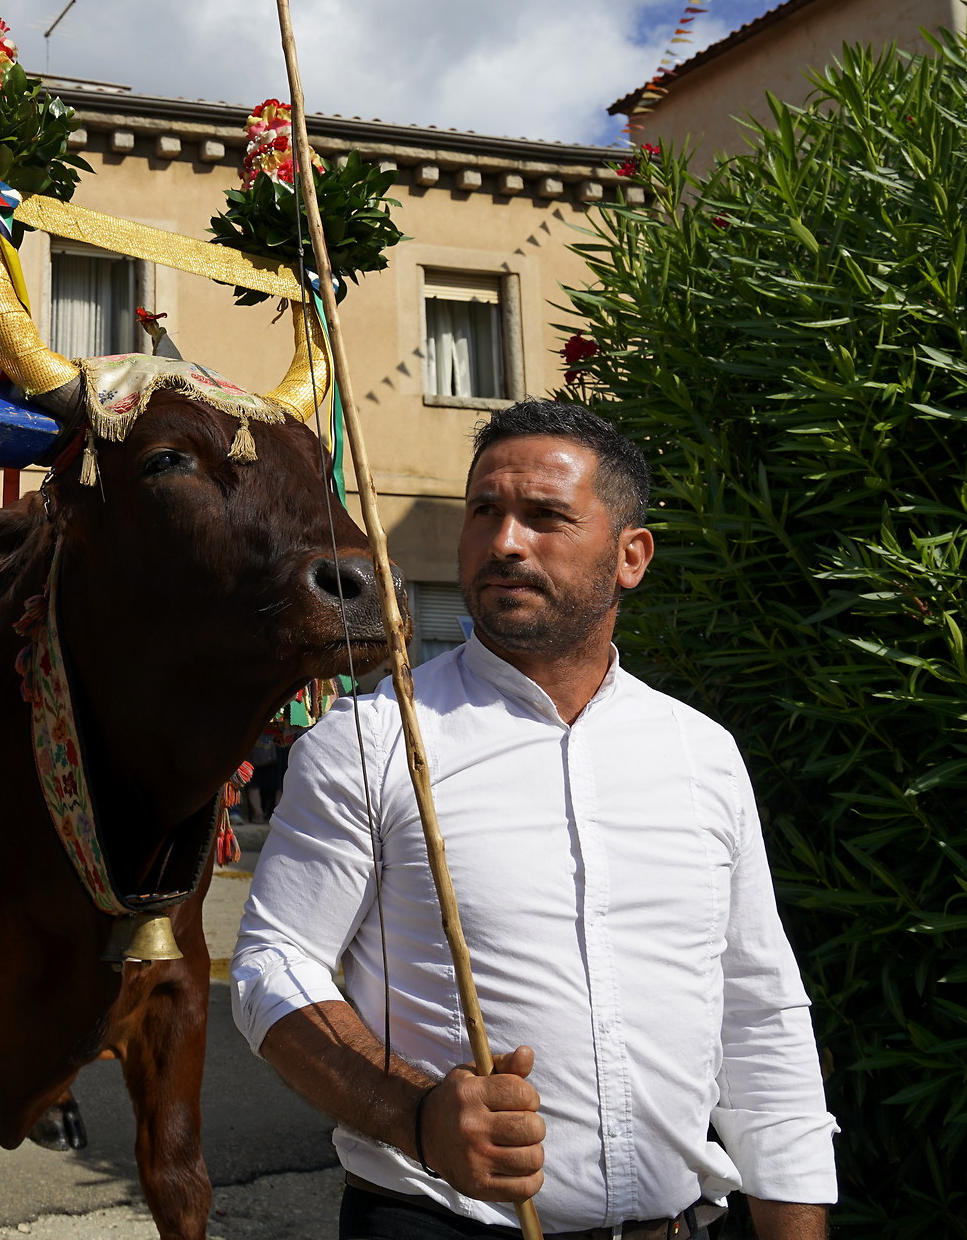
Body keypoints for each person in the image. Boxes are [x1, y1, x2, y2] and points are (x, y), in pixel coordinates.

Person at [232, 401, 836, 1240]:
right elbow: (273, 966)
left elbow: (759, 1013)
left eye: (546, 516)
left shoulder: (701, 755)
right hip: (438, 1223)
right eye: (485, 510)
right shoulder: (376, 738)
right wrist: (418, 1114)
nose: (504, 541)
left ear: (631, 556)